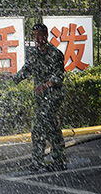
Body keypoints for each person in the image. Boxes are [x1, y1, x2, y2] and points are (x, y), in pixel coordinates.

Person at [4, 23, 66, 171]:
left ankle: (39, 162)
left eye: (39, 35)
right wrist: (11, 77)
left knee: (39, 128)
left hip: (52, 98)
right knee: (52, 130)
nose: (36, 38)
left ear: (45, 36)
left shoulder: (55, 53)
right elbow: (26, 71)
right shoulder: (34, 54)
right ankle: (57, 161)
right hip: (41, 99)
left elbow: (59, 76)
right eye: (34, 36)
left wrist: (45, 85)